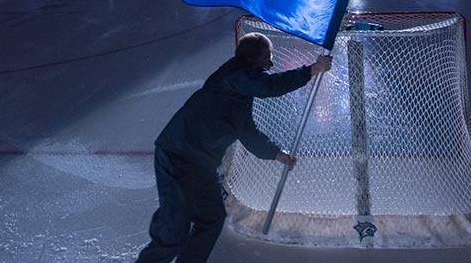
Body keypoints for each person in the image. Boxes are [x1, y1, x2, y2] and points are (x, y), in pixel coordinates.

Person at [136, 34, 332, 263]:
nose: (270, 64)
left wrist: (277, 154)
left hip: (203, 163)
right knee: (173, 229)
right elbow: (268, 86)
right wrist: (311, 70)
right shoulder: (233, 75)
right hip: (178, 156)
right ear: (251, 58)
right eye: (267, 58)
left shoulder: (240, 93)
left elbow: (247, 132)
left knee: (211, 218)